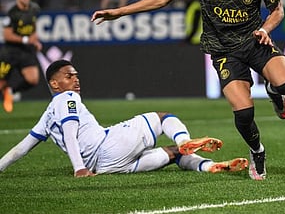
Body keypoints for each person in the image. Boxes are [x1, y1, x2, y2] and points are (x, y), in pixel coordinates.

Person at [91, 0, 285, 181]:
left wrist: (265, 29)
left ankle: (274, 92)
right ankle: (257, 151)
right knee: (244, 114)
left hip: (255, 41)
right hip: (224, 52)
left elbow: (277, 10)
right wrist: (120, 12)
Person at [0, 60, 248, 177]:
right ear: (54, 84)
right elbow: (69, 133)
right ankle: (186, 139)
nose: (76, 79)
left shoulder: (47, 115)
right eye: (68, 76)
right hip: (107, 146)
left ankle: (209, 166)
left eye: (76, 75)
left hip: (107, 167)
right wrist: (79, 169)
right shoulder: (67, 99)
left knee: (174, 155)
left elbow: (22, 147)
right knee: (163, 117)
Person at [1, 0, 42, 113]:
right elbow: (7, 35)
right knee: (1, 82)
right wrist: (25, 39)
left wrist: (35, 41)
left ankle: (11, 91)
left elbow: (33, 27)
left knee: (33, 79)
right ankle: (5, 89)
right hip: (10, 51)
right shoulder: (11, 13)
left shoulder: (34, 9)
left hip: (26, 51)